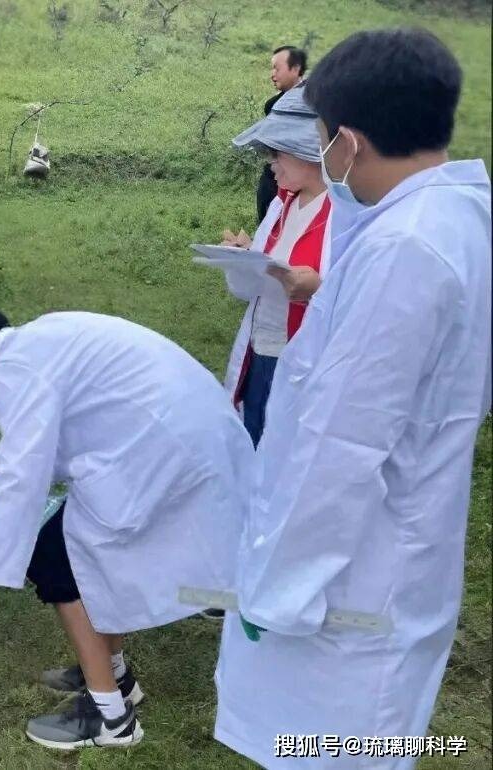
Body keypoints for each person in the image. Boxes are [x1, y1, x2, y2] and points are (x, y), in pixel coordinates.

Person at [215, 28, 491, 770]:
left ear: (348, 142)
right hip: (393, 544)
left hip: (350, 575)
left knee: (329, 747)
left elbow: (341, 442)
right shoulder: (452, 217)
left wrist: (274, 591)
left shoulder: (404, 248)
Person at [0, 307, 252, 750]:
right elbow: (51, 428)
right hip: (186, 434)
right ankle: (114, 674)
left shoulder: (5, 372)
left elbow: (26, 479)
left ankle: (112, 719)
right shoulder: (38, 341)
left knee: (55, 557)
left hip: (166, 455)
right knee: (81, 553)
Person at [221, 85, 331, 446]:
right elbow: (266, 271)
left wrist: (318, 288)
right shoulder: (283, 204)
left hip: (300, 363)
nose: (269, 160)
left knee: (286, 450)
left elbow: (362, 294)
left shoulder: (343, 216)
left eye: (276, 151)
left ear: (309, 151)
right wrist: (246, 254)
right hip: (261, 350)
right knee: (250, 441)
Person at [256, 46, 307, 221]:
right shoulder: (273, 104)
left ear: (296, 69)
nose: (272, 74)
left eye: (277, 68)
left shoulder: (312, 105)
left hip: (295, 184)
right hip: (273, 178)